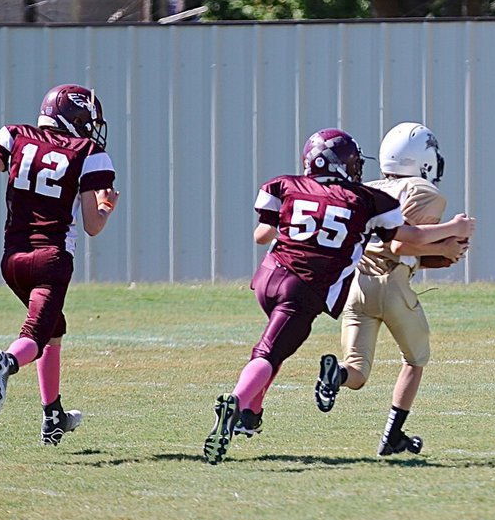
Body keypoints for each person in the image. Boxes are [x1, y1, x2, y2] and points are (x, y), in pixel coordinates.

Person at [203, 127, 475, 465]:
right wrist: (454, 230)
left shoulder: (289, 185)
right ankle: (238, 404)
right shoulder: (368, 198)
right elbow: (401, 240)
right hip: (311, 285)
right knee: (271, 354)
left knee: (285, 352)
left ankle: (252, 412)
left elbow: (262, 235)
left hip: (273, 276)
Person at [0, 83, 119, 446]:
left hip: (12, 260)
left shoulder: (17, 136)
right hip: (52, 259)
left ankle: (53, 416)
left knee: (54, 328)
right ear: (73, 118)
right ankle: (7, 363)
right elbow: (92, 226)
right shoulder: (88, 152)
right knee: (34, 335)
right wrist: (107, 207)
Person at [314, 122, 472, 457]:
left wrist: (437, 254)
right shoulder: (423, 192)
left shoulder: (366, 188)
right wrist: (450, 235)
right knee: (415, 360)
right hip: (392, 284)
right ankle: (392, 435)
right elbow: (401, 246)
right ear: (422, 160)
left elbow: (384, 245)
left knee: (356, 371)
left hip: (356, 288)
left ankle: (335, 376)